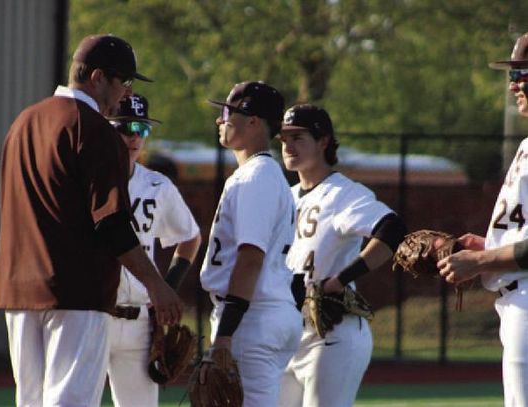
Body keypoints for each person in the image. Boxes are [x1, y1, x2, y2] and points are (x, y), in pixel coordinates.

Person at [0, 34, 181, 407]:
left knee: (30, 402)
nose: (127, 93)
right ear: (97, 77)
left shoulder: (22, 123)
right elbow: (110, 225)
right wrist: (156, 285)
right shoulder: (93, 129)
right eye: (124, 81)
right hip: (77, 292)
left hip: (19, 291)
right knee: (70, 402)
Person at [277, 104, 406, 407]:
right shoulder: (287, 196)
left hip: (331, 335)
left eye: (298, 137)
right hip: (288, 334)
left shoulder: (342, 193)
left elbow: (392, 229)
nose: (288, 146)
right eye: (283, 139)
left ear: (323, 141)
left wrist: (341, 280)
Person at [199, 81, 303, 406]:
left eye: (228, 112)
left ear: (254, 121)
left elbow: (250, 258)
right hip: (265, 311)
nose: (220, 119)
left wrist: (225, 335)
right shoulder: (264, 175)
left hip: (252, 318)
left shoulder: (256, 177)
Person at [438, 32, 528, 407]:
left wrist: (479, 261)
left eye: (521, 74)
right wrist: (490, 247)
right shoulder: (526, 145)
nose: (513, 85)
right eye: (512, 75)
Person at [106, 93, 201, 407]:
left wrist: (167, 289)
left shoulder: (158, 186)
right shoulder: (88, 180)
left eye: (142, 129)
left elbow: (190, 237)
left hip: (139, 322)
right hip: (93, 314)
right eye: (126, 127)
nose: (135, 136)